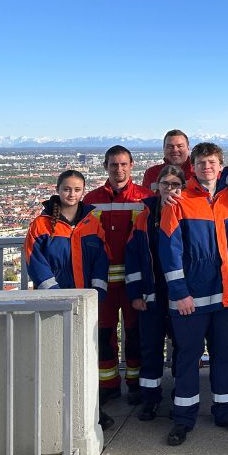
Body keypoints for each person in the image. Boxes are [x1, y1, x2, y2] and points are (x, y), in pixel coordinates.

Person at [157, 142, 228, 446]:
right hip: (190, 299)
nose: (206, 167)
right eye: (200, 162)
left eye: (212, 162)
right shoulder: (178, 202)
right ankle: (183, 418)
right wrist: (179, 292)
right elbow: (169, 252)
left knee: (225, 356)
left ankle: (225, 411)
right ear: (191, 167)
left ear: (220, 166)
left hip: (225, 296)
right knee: (187, 358)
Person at [24, 169, 111, 427]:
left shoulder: (92, 223)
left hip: (86, 303)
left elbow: (101, 259)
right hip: (56, 305)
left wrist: (96, 293)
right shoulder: (40, 225)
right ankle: (60, 414)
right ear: (58, 190)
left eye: (76, 189)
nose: (71, 194)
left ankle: (91, 410)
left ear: (83, 191)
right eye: (66, 189)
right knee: (58, 359)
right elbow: (35, 263)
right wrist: (57, 295)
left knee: (87, 358)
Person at [85, 145, 153, 405]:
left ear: (132, 165)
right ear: (105, 166)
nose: (119, 169)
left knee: (136, 334)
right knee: (103, 335)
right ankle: (108, 384)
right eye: (113, 164)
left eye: (123, 164)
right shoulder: (90, 199)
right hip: (102, 283)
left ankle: (134, 383)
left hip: (134, 282)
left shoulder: (145, 197)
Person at [125, 164, 185, 422]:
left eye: (175, 185)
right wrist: (136, 293)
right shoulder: (145, 215)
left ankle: (181, 396)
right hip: (152, 292)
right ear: (157, 186)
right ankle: (150, 399)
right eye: (165, 184)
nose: (169, 189)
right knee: (150, 348)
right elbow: (134, 256)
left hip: (179, 293)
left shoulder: (188, 211)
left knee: (183, 347)